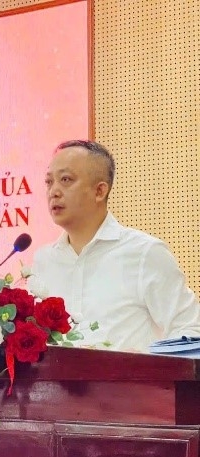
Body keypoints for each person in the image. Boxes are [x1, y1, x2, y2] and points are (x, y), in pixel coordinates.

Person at [30, 140, 200, 352]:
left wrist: (143, 362)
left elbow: (191, 331)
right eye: (49, 182)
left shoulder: (144, 253)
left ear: (100, 191)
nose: (53, 191)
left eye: (66, 180)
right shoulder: (43, 261)